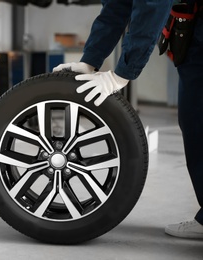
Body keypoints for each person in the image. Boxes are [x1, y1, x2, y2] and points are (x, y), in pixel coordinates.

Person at [53, 0, 203, 239]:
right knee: (195, 121)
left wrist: (122, 74)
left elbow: (153, 3)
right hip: (192, 30)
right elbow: (117, 5)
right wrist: (90, 61)